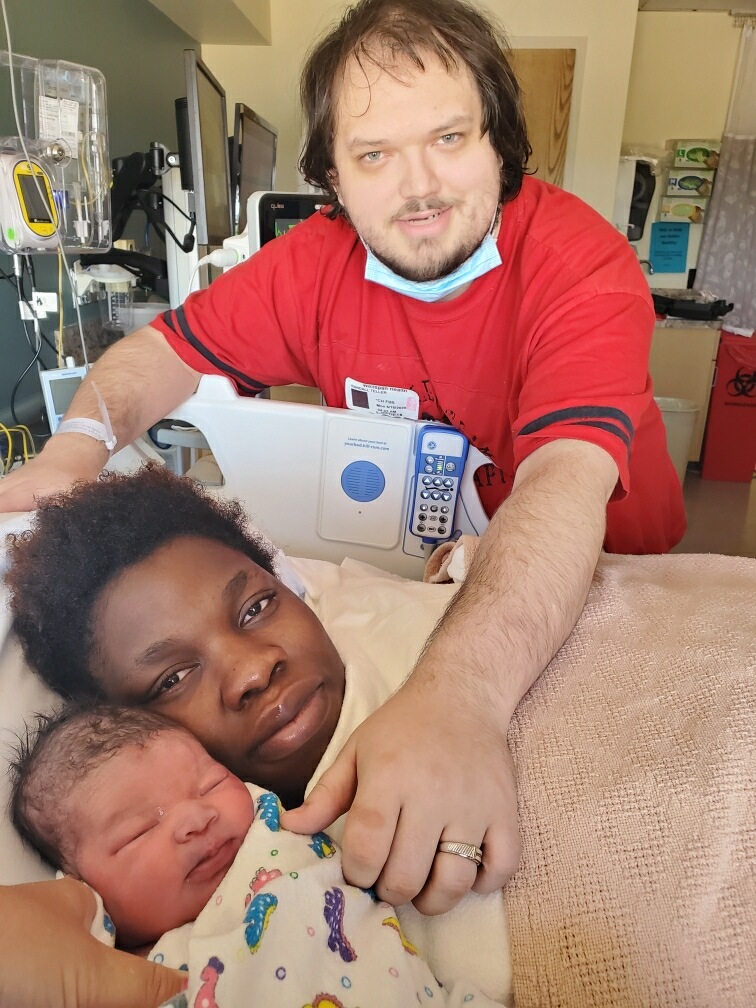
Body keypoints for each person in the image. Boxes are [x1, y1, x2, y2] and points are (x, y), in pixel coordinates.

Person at [0, 0, 686, 922]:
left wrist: (462, 699)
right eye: (374, 155)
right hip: (434, 571)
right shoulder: (315, 266)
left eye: (449, 137)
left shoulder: (577, 263)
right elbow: (164, 351)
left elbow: (564, 480)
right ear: (331, 175)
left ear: (499, 139)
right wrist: (74, 448)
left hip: (604, 574)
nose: (420, 187)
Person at [5, 464, 511, 1002]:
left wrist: (465, 700)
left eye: (257, 607)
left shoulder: (464, 626)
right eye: (173, 679)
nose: (252, 672)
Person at [10, 704, 499, 1006]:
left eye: (209, 783)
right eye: (139, 831)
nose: (195, 816)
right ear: (81, 886)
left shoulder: (274, 825)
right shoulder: (106, 967)